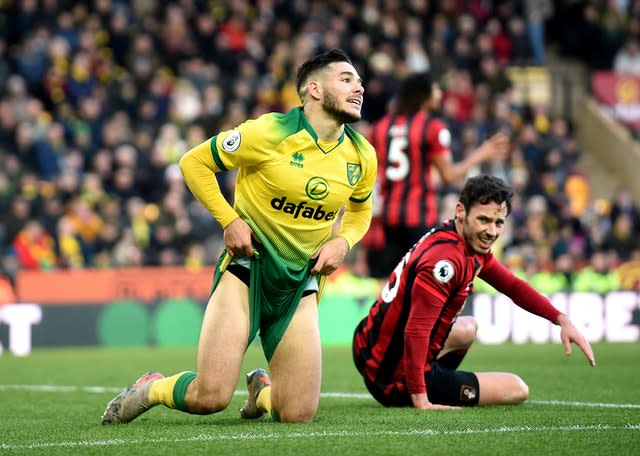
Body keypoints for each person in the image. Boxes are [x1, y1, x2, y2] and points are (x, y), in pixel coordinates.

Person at [101, 48, 377, 424]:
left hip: (300, 284)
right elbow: (193, 162)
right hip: (248, 270)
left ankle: (261, 393)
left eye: (359, 81)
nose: (358, 87)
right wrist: (229, 220)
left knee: (296, 414)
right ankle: (152, 387)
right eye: (346, 79)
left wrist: (343, 241)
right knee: (210, 397)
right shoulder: (270, 131)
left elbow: (361, 211)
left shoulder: (362, 155)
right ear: (313, 89)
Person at [353, 175, 595, 410]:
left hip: (368, 345)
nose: (491, 231)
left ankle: (438, 379)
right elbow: (416, 331)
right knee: (517, 389)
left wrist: (561, 319)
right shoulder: (445, 263)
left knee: (468, 328)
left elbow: (512, 286)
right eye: (483, 220)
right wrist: (420, 398)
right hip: (392, 380)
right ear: (461, 211)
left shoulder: (458, 237)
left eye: (498, 223)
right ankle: (426, 384)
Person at [363, 71, 509, 280]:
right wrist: (482, 153)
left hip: (386, 216)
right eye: (436, 89)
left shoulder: (379, 128)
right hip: (419, 215)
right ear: (424, 95)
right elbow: (449, 175)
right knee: (422, 281)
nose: (440, 94)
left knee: (388, 285)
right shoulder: (432, 128)